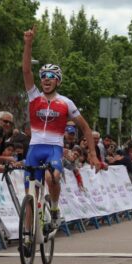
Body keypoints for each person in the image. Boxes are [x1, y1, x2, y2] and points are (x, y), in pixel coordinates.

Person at [22, 25, 101, 224]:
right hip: (34, 148)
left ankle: (55, 208)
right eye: (44, 77)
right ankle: (27, 236)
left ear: (57, 82)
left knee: (52, 177)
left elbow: (85, 128)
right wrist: (28, 44)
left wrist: (92, 154)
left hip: (53, 149)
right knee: (29, 196)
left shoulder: (66, 103)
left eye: (51, 77)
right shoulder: (34, 97)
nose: (46, 80)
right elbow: (26, 70)